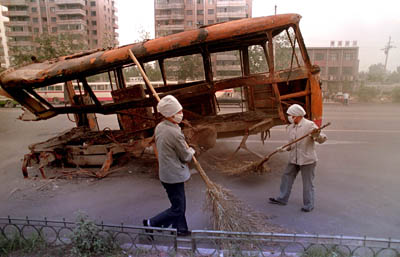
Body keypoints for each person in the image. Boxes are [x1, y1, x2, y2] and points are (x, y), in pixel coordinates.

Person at [143, 95, 195, 236]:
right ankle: (151, 223)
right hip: (174, 176)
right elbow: (185, 156)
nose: (181, 114)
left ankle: (180, 229)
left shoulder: (161, 126)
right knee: (178, 208)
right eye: (178, 112)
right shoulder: (173, 132)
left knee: (179, 205)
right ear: (170, 114)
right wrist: (192, 150)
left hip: (166, 173)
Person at [269, 104, 327, 212]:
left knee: (307, 183)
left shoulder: (309, 125)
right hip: (294, 159)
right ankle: (282, 199)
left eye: (290, 115)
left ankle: (309, 205)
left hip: (307, 160)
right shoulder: (291, 127)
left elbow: (322, 139)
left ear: (297, 115)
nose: (289, 117)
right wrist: (284, 148)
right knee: (286, 177)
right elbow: (292, 144)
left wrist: (316, 135)